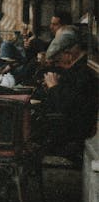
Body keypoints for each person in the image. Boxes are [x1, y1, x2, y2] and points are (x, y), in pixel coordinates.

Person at [34, 32, 98, 162]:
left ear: (68, 55)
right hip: (68, 125)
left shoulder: (83, 73)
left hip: (72, 132)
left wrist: (53, 87)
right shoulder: (77, 69)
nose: (57, 66)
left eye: (57, 61)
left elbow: (67, 107)